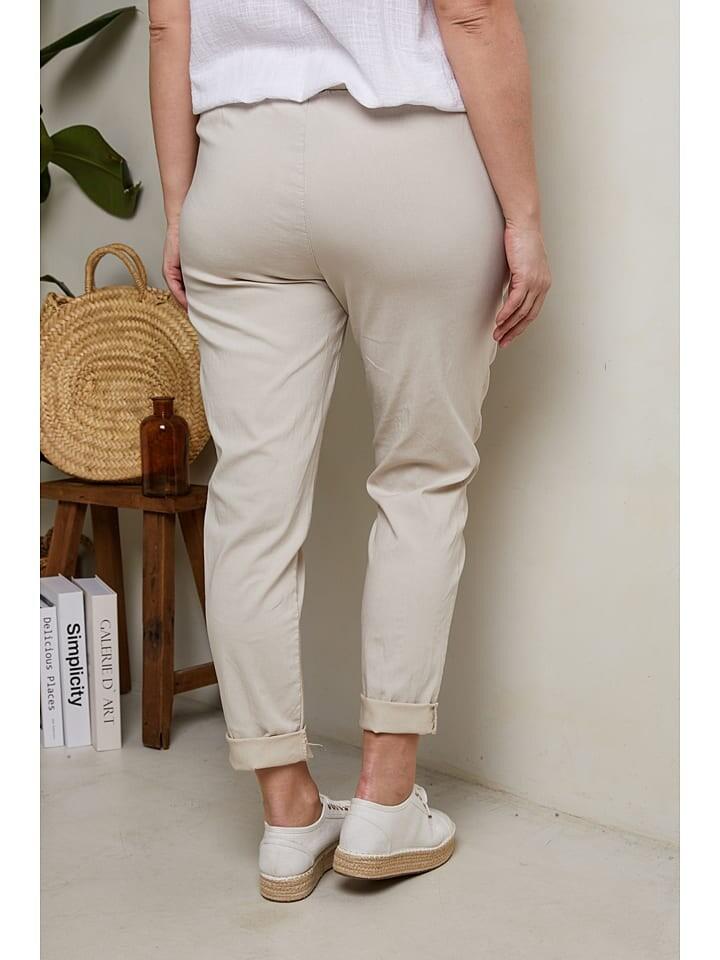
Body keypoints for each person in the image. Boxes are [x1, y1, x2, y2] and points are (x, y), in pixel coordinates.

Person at [149, 0, 551, 902]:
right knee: (422, 478)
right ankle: (384, 800)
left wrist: (181, 207)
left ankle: (288, 814)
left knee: (250, 501)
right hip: (407, 155)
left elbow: (169, 27)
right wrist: (523, 215)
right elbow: (471, 12)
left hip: (237, 168)